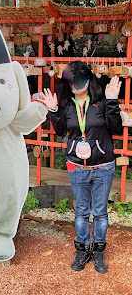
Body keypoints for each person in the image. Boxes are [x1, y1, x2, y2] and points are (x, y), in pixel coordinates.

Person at [39, 61, 122, 274]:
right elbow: (59, 131)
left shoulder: (102, 102)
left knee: (100, 212)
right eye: (71, 81)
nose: (76, 85)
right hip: (77, 166)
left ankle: (98, 250)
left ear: (88, 80)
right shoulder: (67, 106)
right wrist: (54, 110)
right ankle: (82, 249)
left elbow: (115, 127)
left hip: (103, 166)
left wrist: (112, 101)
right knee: (82, 212)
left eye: (80, 80)